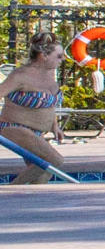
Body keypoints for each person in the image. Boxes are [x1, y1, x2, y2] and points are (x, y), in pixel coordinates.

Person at [3, 32, 69, 184]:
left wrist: (54, 126)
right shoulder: (20, 75)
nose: (63, 60)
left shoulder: (49, 74)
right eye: (59, 56)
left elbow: (50, 104)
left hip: (37, 132)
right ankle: (11, 189)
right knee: (54, 161)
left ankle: (23, 196)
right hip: (15, 128)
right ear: (43, 56)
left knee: (42, 176)